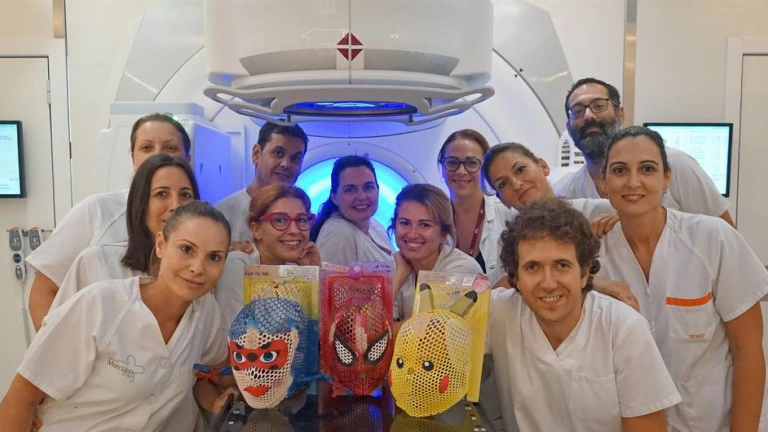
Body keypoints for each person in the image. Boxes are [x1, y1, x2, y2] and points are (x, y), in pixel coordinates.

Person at [0, 202, 232, 431]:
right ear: (161, 245)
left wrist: (219, 398)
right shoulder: (100, 305)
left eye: (214, 257)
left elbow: (217, 371)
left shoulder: (206, 314)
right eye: (186, 249)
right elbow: (22, 397)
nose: (197, 268)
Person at [597, 126, 768, 431]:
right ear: (604, 182)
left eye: (647, 169)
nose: (633, 182)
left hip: (713, 421)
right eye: (620, 170)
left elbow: (748, 350)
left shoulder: (714, 240)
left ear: (666, 178)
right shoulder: (594, 257)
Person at [488, 198, 681, 432]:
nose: (548, 283)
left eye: (561, 265)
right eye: (532, 267)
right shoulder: (500, 314)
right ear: (516, 277)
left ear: (584, 273)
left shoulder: (623, 328)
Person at [27, 113, 191, 330]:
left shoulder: (195, 221)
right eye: (147, 147)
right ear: (132, 157)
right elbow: (44, 288)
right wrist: (51, 345)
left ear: (188, 159)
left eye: (170, 148)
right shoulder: (97, 211)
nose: (158, 155)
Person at [555, 77, 734, 226]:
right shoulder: (568, 194)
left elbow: (725, 236)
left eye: (599, 105)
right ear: (568, 128)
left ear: (620, 114)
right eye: (577, 111)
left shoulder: (675, 164)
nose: (588, 115)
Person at [482, 142, 638, 311]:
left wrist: (626, 217)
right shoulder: (510, 241)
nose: (516, 184)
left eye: (520, 169)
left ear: (543, 166)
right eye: (503, 184)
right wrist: (591, 280)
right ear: (502, 200)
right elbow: (499, 294)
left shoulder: (598, 212)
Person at [49, 153, 199, 312]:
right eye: (161, 194)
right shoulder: (95, 263)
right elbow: (57, 326)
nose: (176, 205)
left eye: (185, 195)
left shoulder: (201, 274)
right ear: (140, 202)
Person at [214, 184, 320, 323]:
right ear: (256, 230)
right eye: (280, 220)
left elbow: (314, 329)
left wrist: (312, 274)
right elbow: (238, 332)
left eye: (301, 220)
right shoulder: (238, 264)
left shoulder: (292, 267)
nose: (295, 230)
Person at [390, 184, 482, 321]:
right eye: (404, 223)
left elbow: (423, 329)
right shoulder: (398, 267)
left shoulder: (461, 269)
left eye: (424, 225)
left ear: (443, 234)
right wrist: (399, 275)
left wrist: (389, 329)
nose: (412, 234)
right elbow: (373, 328)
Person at [438, 129, 515, 286]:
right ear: (442, 166)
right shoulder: (433, 219)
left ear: (485, 169)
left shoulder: (509, 214)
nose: (461, 171)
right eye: (452, 162)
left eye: (471, 163)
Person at [215, 122, 309, 248]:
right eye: (278, 153)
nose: (286, 164)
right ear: (256, 154)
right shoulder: (222, 215)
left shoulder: (301, 218)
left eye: (295, 158)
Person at [310, 155, 393, 263]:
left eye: (368, 187)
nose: (362, 197)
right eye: (350, 190)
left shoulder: (374, 225)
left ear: (378, 189)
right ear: (334, 197)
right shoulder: (340, 234)